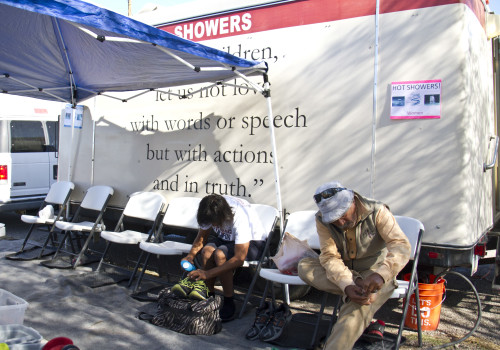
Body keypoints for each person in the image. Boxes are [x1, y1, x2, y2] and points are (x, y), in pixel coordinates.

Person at [298, 181, 411, 350]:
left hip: (374, 273)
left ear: (353, 201)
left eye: (343, 214)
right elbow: (329, 256)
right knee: (304, 266)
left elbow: (401, 245)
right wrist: (347, 285)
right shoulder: (322, 219)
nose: (341, 222)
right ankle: (356, 288)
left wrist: (381, 275)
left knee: (358, 308)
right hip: (344, 272)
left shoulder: (377, 211)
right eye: (335, 219)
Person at [173, 194, 267, 322]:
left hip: (254, 242)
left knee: (220, 254)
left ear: (223, 216)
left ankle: (229, 300)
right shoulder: (208, 209)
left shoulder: (239, 216)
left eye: (215, 223)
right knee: (206, 251)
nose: (214, 225)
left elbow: (239, 258)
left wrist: (207, 273)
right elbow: (202, 238)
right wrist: (190, 256)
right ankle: (209, 296)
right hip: (228, 239)